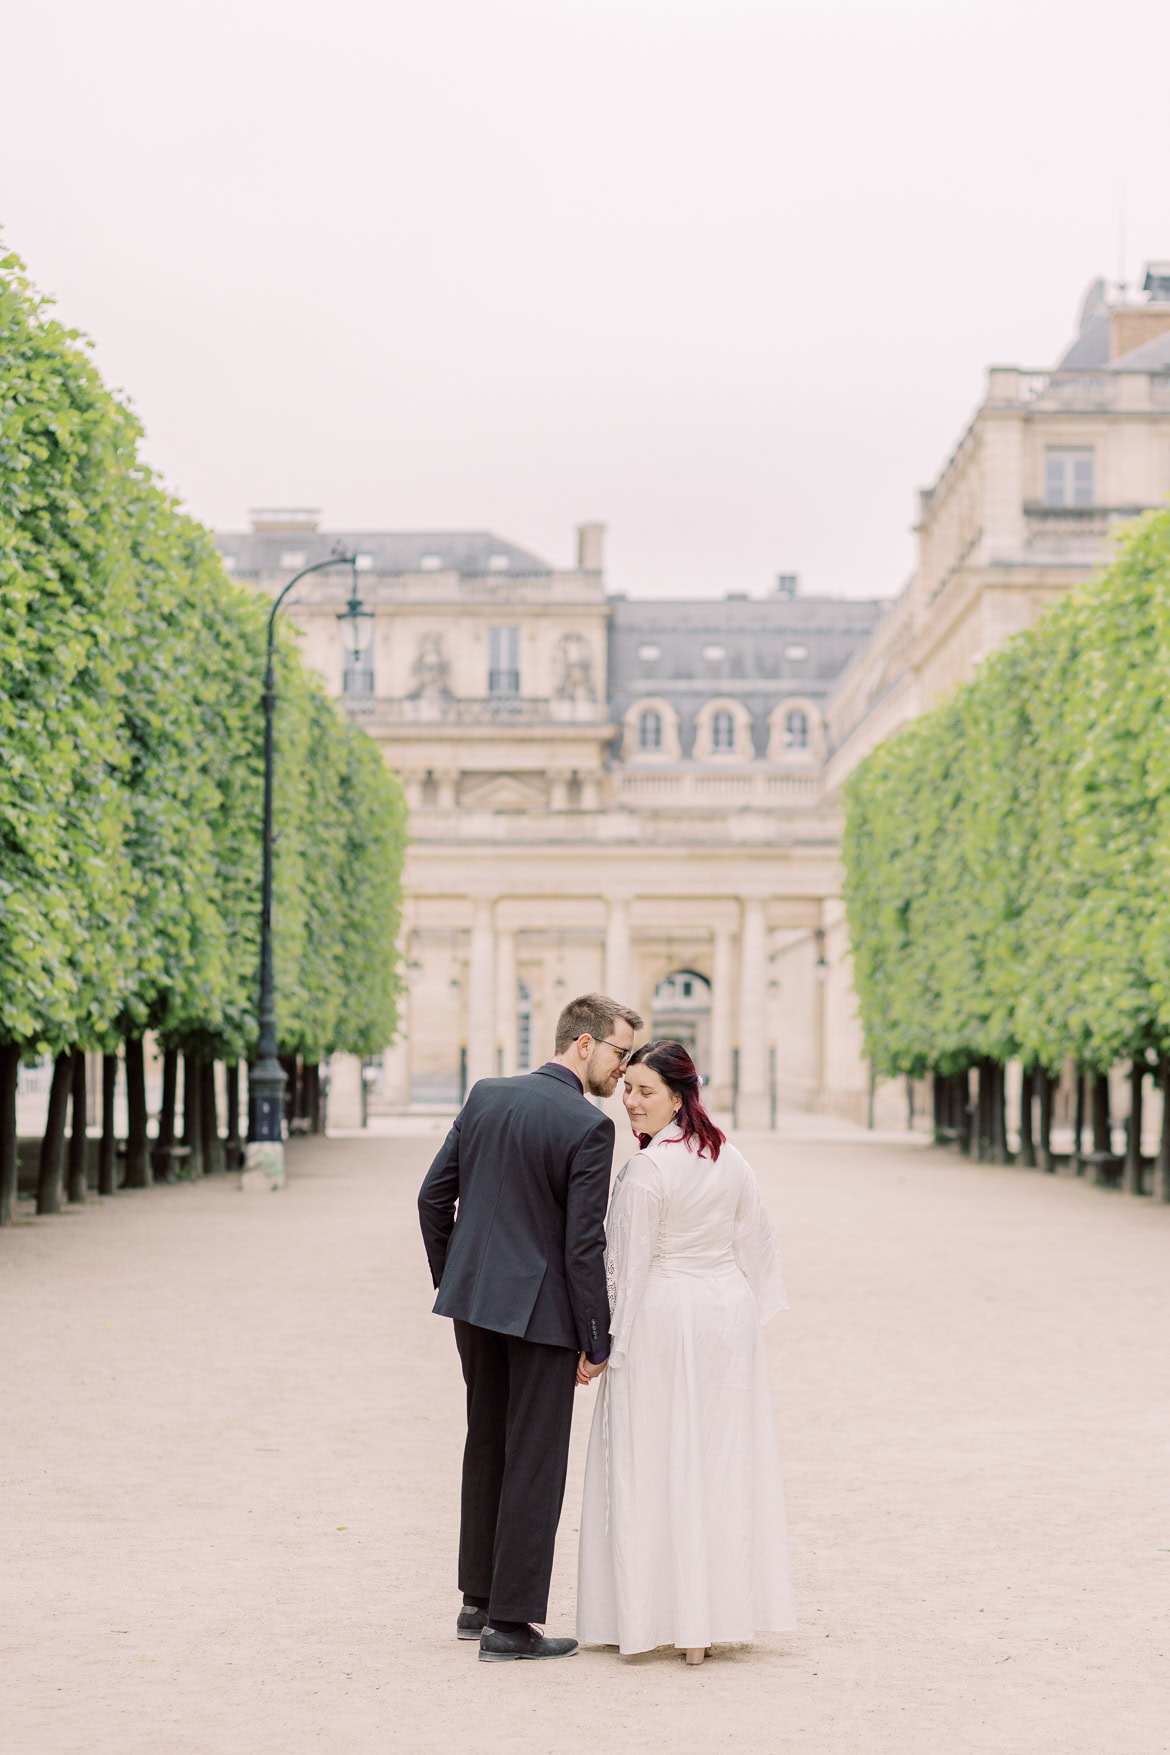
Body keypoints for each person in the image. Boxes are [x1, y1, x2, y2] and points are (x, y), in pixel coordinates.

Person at [418, 991, 643, 1663]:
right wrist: (595, 1337)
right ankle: (511, 1625)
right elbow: (582, 1247)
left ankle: (477, 1600)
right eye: (620, 1051)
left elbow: (434, 1196)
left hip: (476, 1304)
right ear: (584, 1042)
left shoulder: (485, 1094)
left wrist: (454, 1279)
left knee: (485, 1441)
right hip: (541, 1316)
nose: (623, 1069)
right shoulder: (588, 1125)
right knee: (535, 1460)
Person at [576, 1038, 795, 1662]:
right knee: (719, 1457)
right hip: (725, 1319)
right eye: (628, 1088)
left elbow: (625, 1266)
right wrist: (751, 1308)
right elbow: (759, 1242)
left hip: (665, 1321)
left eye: (646, 1091)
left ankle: (661, 1615)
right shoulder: (730, 1157)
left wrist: (601, 1345)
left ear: (678, 1096)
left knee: (655, 1457)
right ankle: (712, 1614)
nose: (631, 1100)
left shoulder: (647, 1171)